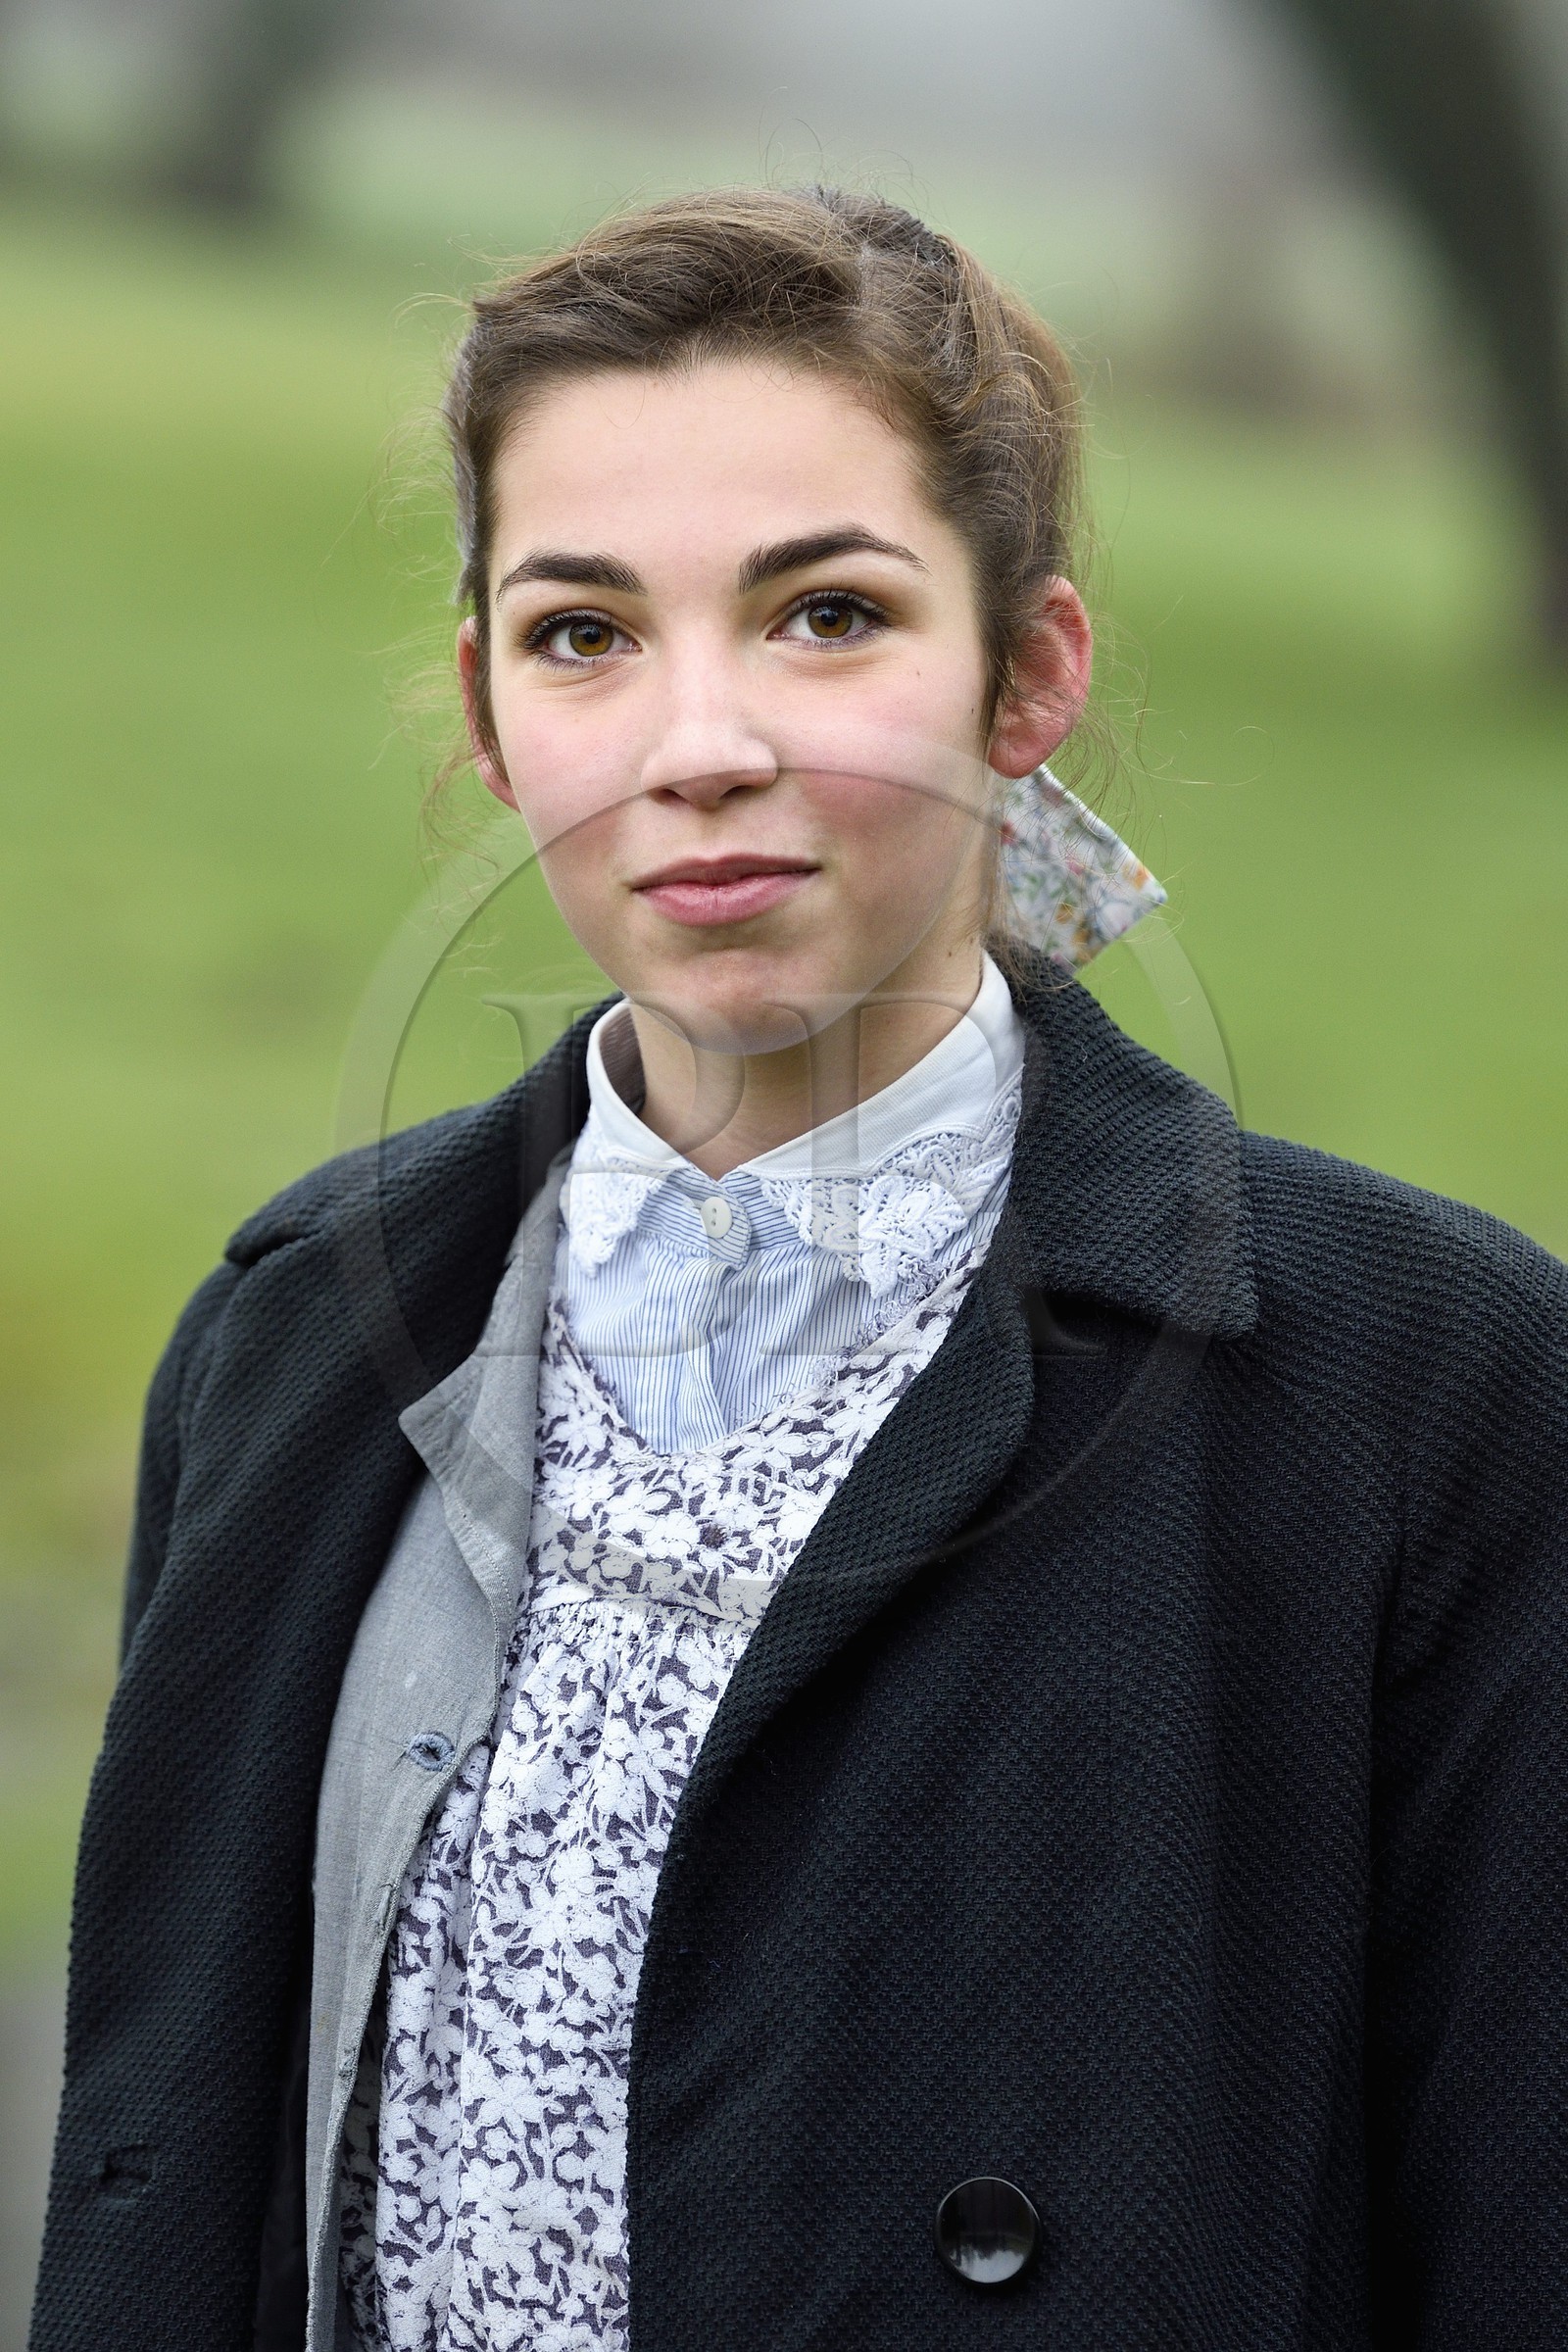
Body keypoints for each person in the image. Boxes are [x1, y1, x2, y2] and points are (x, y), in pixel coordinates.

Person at [30, 187, 1568, 2352]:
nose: (698, 742)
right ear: (487, 720)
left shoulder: (1428, 1398)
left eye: (823, 615)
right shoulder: (287, 1338)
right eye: (582, 632)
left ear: (1022, 674)